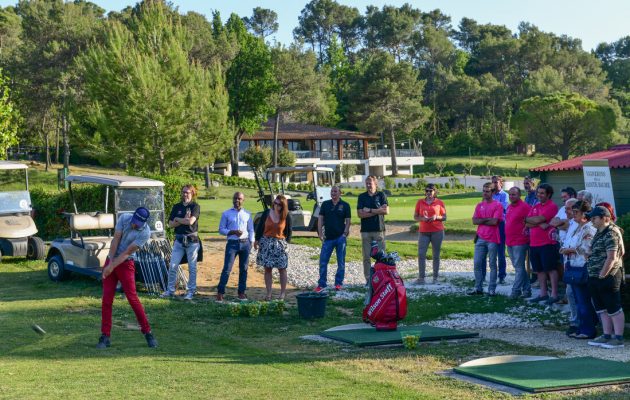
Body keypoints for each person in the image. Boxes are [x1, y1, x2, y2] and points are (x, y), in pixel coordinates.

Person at [98, 207, 157, 349]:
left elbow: (126, 252)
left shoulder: (145, 232)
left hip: (126, 263)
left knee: (132, 298)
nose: (135, 225)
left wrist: (111, 267)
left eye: (138, 223)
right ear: (133, 216)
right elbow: (115, 240)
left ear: (144, 223)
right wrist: (110, 263)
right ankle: (105, 336)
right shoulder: (124, 218)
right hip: (111, 259)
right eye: (134, 221)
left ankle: (148, 332)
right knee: (107, 299)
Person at [586, 206, 626, 349]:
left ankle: (618, 338)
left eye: (594, 218)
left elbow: (612, 257)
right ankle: (607, 335)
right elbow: (593, 250)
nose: (592, 221)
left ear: (605, 218)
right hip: (595, 275)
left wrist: (603, 275)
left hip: (608, 276)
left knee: (613, 306)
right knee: (601, 307)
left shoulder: (611, 233)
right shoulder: (599, 232)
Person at [560, 201, 597, 339]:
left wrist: (569, 250)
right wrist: (565, 248)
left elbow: (587, 248)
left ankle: (588, 330)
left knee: (583, 299)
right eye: (573, 211)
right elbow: (569, 242)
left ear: (584, 214)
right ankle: (583, 326)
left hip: (583, 267)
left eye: (576, 212)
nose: (573, 214)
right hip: (573, 265)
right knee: (577, 298)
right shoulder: (577, 227)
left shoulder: (589, 228)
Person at [161, 184, 201, 300]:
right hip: (179, 241)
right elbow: (170, 224)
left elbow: (191, 222)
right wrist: (182, 219)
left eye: (187, 192)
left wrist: (178, 220)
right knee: (173, 266)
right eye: (183, 192)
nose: (185, 194)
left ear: (192, 194)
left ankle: (191, 291)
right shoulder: (176, 207)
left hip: (192, 241)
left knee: (192, 267)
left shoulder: (195, 206)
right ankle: (170, 290)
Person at [216, 192, 255, 301]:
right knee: (227, 268)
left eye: (239, 199)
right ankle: (220, 292)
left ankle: (241, 292)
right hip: (232, 244)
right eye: (235, 198)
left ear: (243, 200)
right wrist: (232, 232)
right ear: (232, 199)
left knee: (244, 269)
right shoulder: (226, 213)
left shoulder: (247, 214)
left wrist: (251, 241)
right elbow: (221, 229)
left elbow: (251, 229)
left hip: (245, 243)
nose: (237, 200)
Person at [526, 183, 560, 305]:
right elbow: (527, 221)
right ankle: (543, 293)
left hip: (547, 243)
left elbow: (536, 219)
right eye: (538, 193)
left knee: (550, 268)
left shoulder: (552, 206)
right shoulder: (535, 206)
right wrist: (540, 223)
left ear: (549, 194)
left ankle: (554, 294)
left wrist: (537, 220)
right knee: (539, 270)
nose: (539, 195)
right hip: (534, 243)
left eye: (542, 193)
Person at [468, 182, 503, 296]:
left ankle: (491, 289)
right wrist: (486, 220)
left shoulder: (497, 205)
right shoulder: (479, 205)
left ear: (493, 192)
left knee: (492, 264)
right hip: (480, 238)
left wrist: (482, 220)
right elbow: (474, 221)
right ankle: (478, 288)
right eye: (483, 191)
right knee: (477, 263)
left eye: (487, 191)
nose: (485, 193)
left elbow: (494, 222)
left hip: (492, 238)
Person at [255, 195, 292, 301]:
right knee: (267, 269)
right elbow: (260, 227)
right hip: (266, 242)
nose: (276, 206)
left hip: (279, 244)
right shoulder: (267, 213)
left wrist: (286, 243)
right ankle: (269, 293)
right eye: (275, 203)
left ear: (283, 206)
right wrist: (257, 240)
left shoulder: (286, 215)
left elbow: (289, 231)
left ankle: (282, 293)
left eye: (279, 204)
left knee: (282, 269)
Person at [315, 186, 351, 292]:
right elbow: (320, 219)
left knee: (341, 262)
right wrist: (320, 233)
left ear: (340, 193)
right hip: (328, 238)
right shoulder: (325, 204)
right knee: (323, 262)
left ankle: (338, 283)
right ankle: (322, 284)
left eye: (335, 191)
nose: (333, 193)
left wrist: (345, 233)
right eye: (332, 191)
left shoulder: (345, 205)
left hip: (340, 238)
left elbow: (348, 221)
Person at [357, 175, 389, 283]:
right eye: (366, 183)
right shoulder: (362, 197)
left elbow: (386, 211)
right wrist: (377, 210)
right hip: (366, 231)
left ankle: (382, 278)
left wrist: (370, 210)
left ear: (375, 184)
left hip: (379, 230)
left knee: (381, 256)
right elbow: (360, 214)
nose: (368, 185)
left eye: (370, 183)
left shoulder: (381, 195)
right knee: (366, 257)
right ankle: (368, 280)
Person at [413, 183, 446, 284]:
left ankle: (435, 277)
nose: (428, 193)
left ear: (434, 191)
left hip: (437, 231)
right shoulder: (420, 202)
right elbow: (415, 216)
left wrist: (437, 217)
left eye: (430, 191)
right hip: (423, 231)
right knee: (421, 254)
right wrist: (422, 218)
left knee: (436, 255)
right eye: (426, 191)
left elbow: (444, 217)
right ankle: (421, 277)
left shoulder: (440, 202)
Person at [505, 187, 532, 299]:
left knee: (519, 268)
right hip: (510, 241)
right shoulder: (509, 206)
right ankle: (527, 290)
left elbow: (530, 220)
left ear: (519, 195)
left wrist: (525, 228)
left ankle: (515, 291)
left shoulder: (525, 207)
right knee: (518, 267)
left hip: (520, 241)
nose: (511, 197)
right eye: (510, 195)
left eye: (514, 195)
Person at [492, 175, 509, 284]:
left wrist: (492, 206)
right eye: (493, 182)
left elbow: (503, 207)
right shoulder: (490, 195)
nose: (494, 184)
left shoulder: (504, 195)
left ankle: (502, 275)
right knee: (491, 250)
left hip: (501, 224)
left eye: (496, 182)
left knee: (500, 251)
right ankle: (492, 274)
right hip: (491, 224)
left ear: (501, 183)